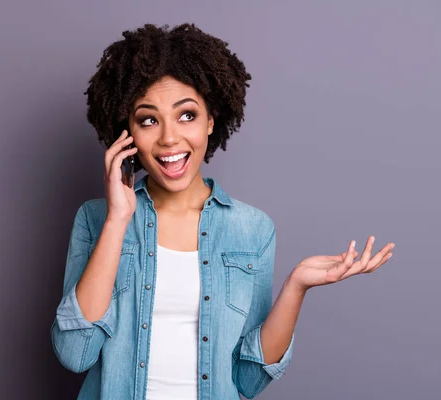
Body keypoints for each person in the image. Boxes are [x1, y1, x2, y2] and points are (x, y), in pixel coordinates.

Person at [50, 23, 395, 400]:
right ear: (127, 132)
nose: (169, 138)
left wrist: (296, 286)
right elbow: (75, 353)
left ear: (211, 121)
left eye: (187, 115)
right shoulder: (95, 219)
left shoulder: (252, 230)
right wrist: (118, 219)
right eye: (148, 120)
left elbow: (248, 381)